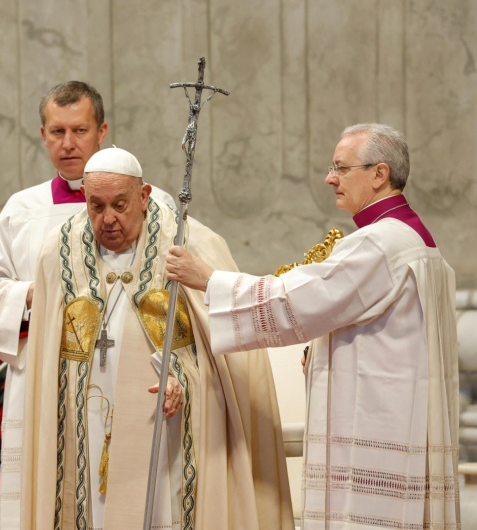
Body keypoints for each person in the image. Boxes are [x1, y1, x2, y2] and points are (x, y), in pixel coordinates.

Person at [165, 123, 460, 530]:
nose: (329, 178)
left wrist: (209, 279)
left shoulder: (379, 244)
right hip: (401, 419)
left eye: (341, 167)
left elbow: (295, 300)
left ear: (379, 174)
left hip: (375, 429)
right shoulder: (417, 242)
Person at [20, 147, 293, 529]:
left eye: (120, 204)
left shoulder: (187, 243)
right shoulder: (59, 251)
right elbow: (50, 362)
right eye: (96, 206)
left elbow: (225, 355)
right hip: (85, 419)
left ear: (144, 195)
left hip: (166, 425)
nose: (108, 219)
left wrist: (183, 382)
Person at [0, 81, 176, 529]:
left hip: (133, 378)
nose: (68, 144)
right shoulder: (22, 210)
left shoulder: (153, 206)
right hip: (49, 380)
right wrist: (33, 294)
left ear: (101, 131)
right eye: (57, 131)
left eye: (79, 130)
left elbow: (173, 294)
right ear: (43, 135)